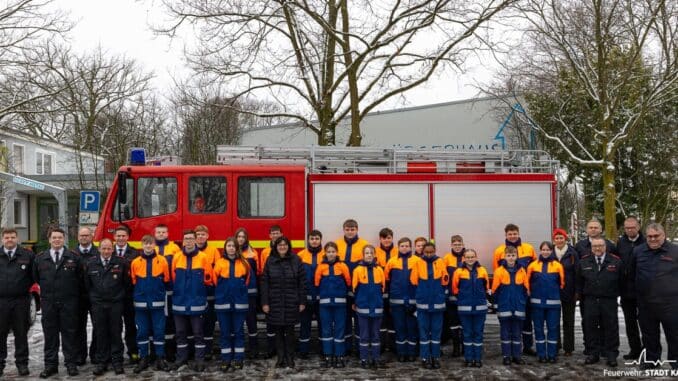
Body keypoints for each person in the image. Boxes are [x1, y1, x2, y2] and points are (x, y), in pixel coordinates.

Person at [33, 228, 82, 378]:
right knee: (50, 336)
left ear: (63, 239)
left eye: (60, 238)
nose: (57, 240)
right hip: (49, 304)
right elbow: (36, 278)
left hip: (68, 303)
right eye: (54, 238)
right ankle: (50, 366)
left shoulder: (74, 257)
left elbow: (80, 280)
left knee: (70, 335)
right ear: (49, 240)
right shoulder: (40, 258)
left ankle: (71, 364)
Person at [631, 223, 678, 370]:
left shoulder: (675, 251)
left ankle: (676, 363)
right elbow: (631, 273)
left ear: (663, 235)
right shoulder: (638, 251)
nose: (652, 239)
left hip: (670, 303)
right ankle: (652, 360)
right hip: (646, 303)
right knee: (649, 334)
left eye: (656, 236)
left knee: (674, 335)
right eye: (649, 236)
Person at [85, 238, 130, 376]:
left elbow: (126, 284)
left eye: (109, 248)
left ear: (113, 248)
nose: (106, 251)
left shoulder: (121, 262)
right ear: (99, 249)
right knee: (100, 333)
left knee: (116, 333)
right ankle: (102, 362)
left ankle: (117, 361)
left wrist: (119, 297)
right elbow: (87, 285)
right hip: (98, 304)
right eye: (103, 248)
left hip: (115, 304)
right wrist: (94, 298)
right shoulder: (91, 263)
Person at [171, 229, 214, 372]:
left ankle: (199, 359)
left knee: (198, 333)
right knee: (181, 333)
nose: (188, 241)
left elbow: (208, 279)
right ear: (183, 241)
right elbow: (173, 278)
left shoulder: (203, 257)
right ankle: (181, 358)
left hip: (197, 303)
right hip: (179, 303)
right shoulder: (177, 257)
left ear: (195, 240)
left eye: (191, 238)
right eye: (186, 238)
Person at [576, 237, 622, 367]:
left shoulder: (616, 262)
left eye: (600, 246)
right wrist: (579, 297)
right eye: (595, 246)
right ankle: (593, 353)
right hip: (590, 300)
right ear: (591, 248)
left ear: (605, 247)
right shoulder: (584, 262)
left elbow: (622, 281)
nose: (598, 248)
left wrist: (619, 296)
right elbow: (579, 282)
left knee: (611, 327)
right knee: (591, 327)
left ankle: (611, 354)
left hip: (609, 300)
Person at [261, 236, 306, 368]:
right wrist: (265, 303)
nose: (282, 247)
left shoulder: (296, 260)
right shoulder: (270, 260)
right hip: (274, 302)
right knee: (278, 332)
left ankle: (290, 357)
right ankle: (280, 357)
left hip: (291, 301)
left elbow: (302, 283)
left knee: (290, 332)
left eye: (285, 245)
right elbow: (264, 283)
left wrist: (302, 301)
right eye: (280, 245)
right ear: (276, 247)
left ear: (288, 246)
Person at [493, 223, 537, 356]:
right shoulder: (499, 251)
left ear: (519, 233)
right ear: (505, 235)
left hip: (525, 291)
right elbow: (497, 271)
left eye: (514, 233)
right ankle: (509, 349)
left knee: (526, 320)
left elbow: (535, 267)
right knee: (509, 323)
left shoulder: (529, 248)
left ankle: (527, 346)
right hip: (508, 294)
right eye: (510, 234)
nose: (512, 236)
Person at [130, 235, 171, 373]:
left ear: (154, 245)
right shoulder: (135, 262)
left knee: (159, 331)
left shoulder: (162, 261)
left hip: (158, 304)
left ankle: (160, 357)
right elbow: (134, 281)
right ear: (142, 245)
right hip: (141, 304)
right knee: (142, 332)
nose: (148, 246)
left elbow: (166, 280)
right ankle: (144, 358)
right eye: (145, 243)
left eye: (150, 243)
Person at [213, 237, 251, 372]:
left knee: (238, 332)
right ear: (225, 248)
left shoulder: (244, 263)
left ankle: (239, 358)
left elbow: (246, 281)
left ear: (237, 248)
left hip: (239, 304)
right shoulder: (219, 263)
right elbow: (215, 281)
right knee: (225, 333)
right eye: (228, 246)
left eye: (233, 246)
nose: (231, 248)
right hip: (223, 304)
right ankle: (226, 359)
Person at [0, 228, 34, 377]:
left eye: (12, 237)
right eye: (6, 237)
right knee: (0, 334)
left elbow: (34, 276)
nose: (9, 240)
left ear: (17, 238)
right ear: (2, 239)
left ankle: (22, 364)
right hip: (1, 301)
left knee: (21, 334)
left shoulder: (27, 255)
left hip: (21, 301)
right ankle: (0, 364)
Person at [410, 242, 448, 369]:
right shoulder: (418, 263)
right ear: (422, 252)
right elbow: (414, 281)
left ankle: (436, 357)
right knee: (424, 333)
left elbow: (445, 281)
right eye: (426, 252)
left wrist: (440, 294)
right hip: (423, 305)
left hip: (437, 304)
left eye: (431, 252)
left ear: (435, 251)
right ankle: (425, 358)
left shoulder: (441, 262)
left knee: (436, 333)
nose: (429, 254)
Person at [527, 241, 565, 363]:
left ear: (551, 251)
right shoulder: (532, 266)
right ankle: (541, 354)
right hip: (537, 304)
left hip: (553, 305)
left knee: (553, 329)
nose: (545, 252)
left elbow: (562, 283)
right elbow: (527, 284)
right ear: (540, 250)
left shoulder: (558, 266)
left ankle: (552, 354)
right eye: (543, 249)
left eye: (548, 249)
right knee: (538, 329)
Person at [336, 219, 369, 355]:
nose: (350, 232)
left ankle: (360, 348)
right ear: (344, 230)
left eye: (352, 229)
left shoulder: (364, 245)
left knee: (360, 320)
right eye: (347, 229)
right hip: (342, 289)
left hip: (359, 289)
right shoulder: (337, 244)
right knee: (345, 319)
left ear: (357, 229)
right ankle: (347, 347)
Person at [315, 242, 351, 368]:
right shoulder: (320, 267)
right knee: (326, 330)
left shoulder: (343, 266)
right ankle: (328, 354)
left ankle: (340, 354)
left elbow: (348, 281)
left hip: (340, 304)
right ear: (325, 253)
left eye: (333, 251)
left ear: (337, 253)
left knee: (340, 329)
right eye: (329, 252)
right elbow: (316, 283)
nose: (331, 254)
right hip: (325, 304)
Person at [384, 237, 420, 362]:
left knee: (412, 328)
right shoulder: (392, 261)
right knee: (399, 328)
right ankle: (401, 353)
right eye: (402, 246)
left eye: (406, 246)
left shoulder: (417, 261)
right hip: (396, 301)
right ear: (398, 247)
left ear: (411, 247)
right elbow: (387, 280)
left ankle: (411, 353)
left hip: (413, 301)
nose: (404, 248)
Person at [491, 246, 528, 366]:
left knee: (517, 332)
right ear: (504, 256)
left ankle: (517, 356)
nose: (511, 258)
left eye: (513, 255)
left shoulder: (522, 270)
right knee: (505, 333)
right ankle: (506, 356)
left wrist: (523, 302)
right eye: (508, 255)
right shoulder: (499, 271)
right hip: (504, 306)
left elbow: (526, 289)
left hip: (518, 307)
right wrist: (496, 305)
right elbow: (495, 290)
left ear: (516, 256)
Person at [452, 248, 489, 368]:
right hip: (464, 308)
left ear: (476, 257)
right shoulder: (458, 272)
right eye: (467, 257)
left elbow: (486, 287)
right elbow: (455, 289)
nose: (470, 259)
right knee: (467, 334)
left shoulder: (482, 270)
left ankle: (477, 358)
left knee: (478, 333)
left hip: (480, 308)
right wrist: (463, 299)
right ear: (464, 258)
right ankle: (468, 358)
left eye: (472, 256)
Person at [616, 216, 645, 360]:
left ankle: (647, 351)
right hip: (626, 291)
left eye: (632, 227)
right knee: (630, 323)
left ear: (638, 227)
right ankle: (635, 350)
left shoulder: (646, 241)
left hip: (643, 291)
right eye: (627, 228)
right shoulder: (621, 242)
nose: (630, 230)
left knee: (646, 323)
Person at [353, 245, 386, 369]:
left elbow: (383, 288)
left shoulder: (379, 270)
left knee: (376, 335)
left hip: (377, 308)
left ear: (374, 254)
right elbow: (354, 289)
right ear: (363, 255)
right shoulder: (357, 270)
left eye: (371, 253)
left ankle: (376, 358)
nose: (369, 255)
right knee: (364, 335)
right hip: (363, 309)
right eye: (366, 253)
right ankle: (364, 359)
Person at [154, 224, 182, 362]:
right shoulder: (151, 248)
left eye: (163, 232)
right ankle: (157, 351)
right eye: (158, 232)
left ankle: (171, 351)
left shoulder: (175, 248)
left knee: (171, 320)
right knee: (158, 320)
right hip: (156, 291)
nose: (160, 234)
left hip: (171, 290)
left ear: (168, 233)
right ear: (154, 234)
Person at [113, 225, 139, 364]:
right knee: (115, 327)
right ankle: (116, 354)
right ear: (114, 237)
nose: (121, 238)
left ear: (128, 237)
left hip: (129, 296)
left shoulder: (135, 253)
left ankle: (133, 352)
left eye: (123, 236)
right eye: (118, 236)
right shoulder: (109, 252)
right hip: (113, 297)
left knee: (130, 326)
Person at [74, 226, 99, 366]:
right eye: (82, 235)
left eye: (87, 235)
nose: (84, 238)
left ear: (91, 237)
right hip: (78, 297)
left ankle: (95, 354)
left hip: (95, 296)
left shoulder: (98, 252)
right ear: (78, 237)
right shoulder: (71, 253)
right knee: (79, 327)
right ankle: (80, 355)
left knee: (98, 326)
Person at [297, 229, 324, 358]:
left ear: (320, 240)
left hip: (321, 298)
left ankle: (324, 349)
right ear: (308, 240)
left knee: (323, 325)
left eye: (317, 238)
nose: (314, 241)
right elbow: (297, 278)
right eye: (312, 238)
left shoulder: (327, 254)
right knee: (304, 325)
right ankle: (303, 350)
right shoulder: (301, 255)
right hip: (306, 298)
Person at [552, 228, 578, 356]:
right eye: (556, 238)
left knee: (569, 321)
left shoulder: (572, 253)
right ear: (554, 240)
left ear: (565, 238)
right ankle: (555, 345)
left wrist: (577, 291)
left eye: (561, 238)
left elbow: (577, 273)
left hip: (569, 291)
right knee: (554, 320)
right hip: (554, 292)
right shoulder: (550, 254)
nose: (559, 240)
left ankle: (568, 348)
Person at [196, 225, 219, 361]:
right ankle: (197, 349)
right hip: (195, 292)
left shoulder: (213, 251)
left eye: (203, 234)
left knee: (209, 321)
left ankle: (208, 350)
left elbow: (217, 271)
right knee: (196, 322)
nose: (200, 237)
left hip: (209, 290)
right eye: (198, 234)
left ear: (207, 236)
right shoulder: (189, 251)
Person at [259, 224, 283, 358]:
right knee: (270, 322)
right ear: (269, 235)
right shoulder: (264, 252)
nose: (275, 235)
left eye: (277, 233)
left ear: (281, 234)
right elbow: (263, 273)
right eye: (273, 233)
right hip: (271, 291)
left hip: (282, 291)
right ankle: (271, 348)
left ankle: (281, 347)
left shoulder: (285, 249)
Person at [375, 227, 397, 353]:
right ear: (380, 239)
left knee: (394, 319)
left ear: (392, 238)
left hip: (394, 290)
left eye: (389, 237)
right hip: (380, 290)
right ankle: (382, 345)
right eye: (384, 238)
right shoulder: (375, 252)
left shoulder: (398, 251)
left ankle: (393, 345)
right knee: (381, 319)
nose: (386, 240)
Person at [443, 234, 466, 357]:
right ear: (451, 245)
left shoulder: (468, 257)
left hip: (465, 297)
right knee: (453, 324)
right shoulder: (446, 259)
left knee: (464, 324)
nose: (457, 247)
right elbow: (444, 277)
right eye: (455, 245)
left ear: (463, 244)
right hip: (451, 298)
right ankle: (456, 348)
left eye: (459, 244)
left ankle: (464, 347)